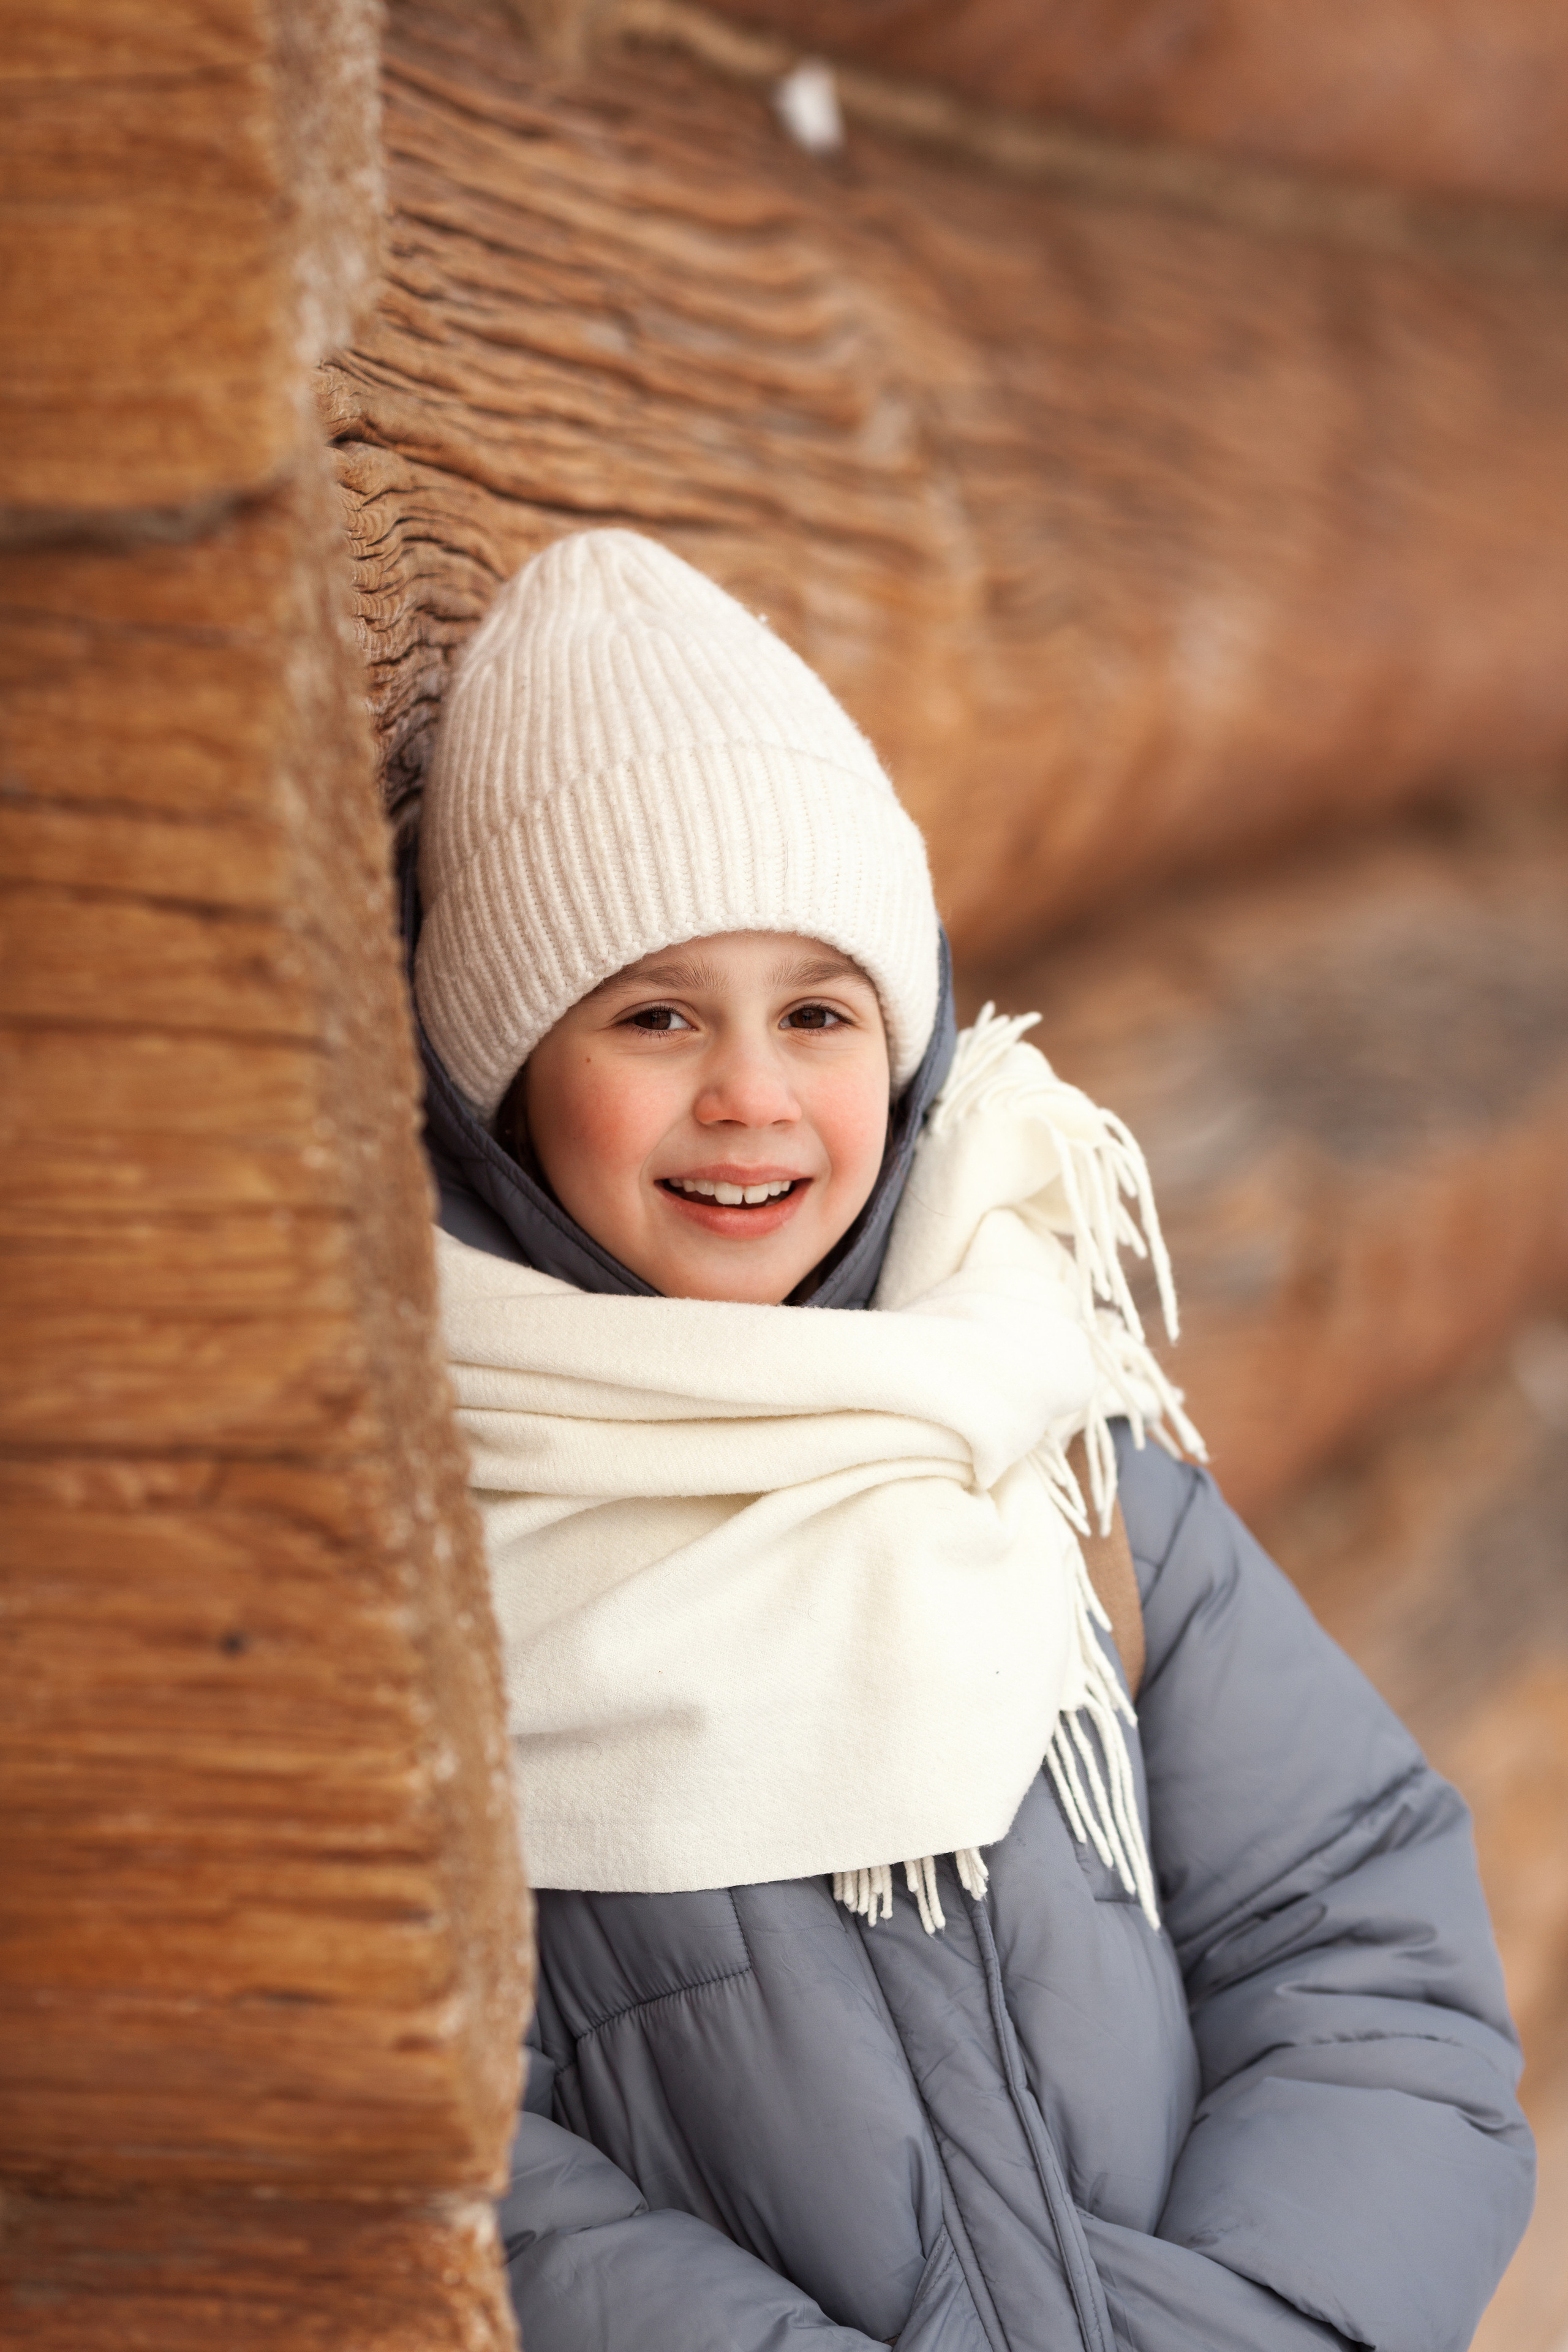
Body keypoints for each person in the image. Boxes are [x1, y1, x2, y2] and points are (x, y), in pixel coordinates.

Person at [406, 529, 1533, 2352]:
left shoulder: (1052, 1464)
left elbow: (1358, 1938)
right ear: (507, 1076)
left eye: (818, 1012)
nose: (751, 1094)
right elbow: (476, 2171)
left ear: (904, 1049)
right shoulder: (451, 1558)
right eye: (656, 1013)